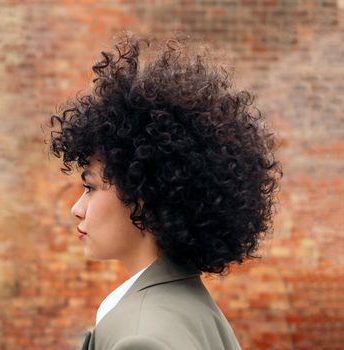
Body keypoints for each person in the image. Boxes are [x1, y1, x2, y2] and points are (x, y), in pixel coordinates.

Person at [46, 32, 281, 350]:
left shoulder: (142, 338)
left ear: (143, 192)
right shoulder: (195, 310)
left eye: (90, 187)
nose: (76, 207)